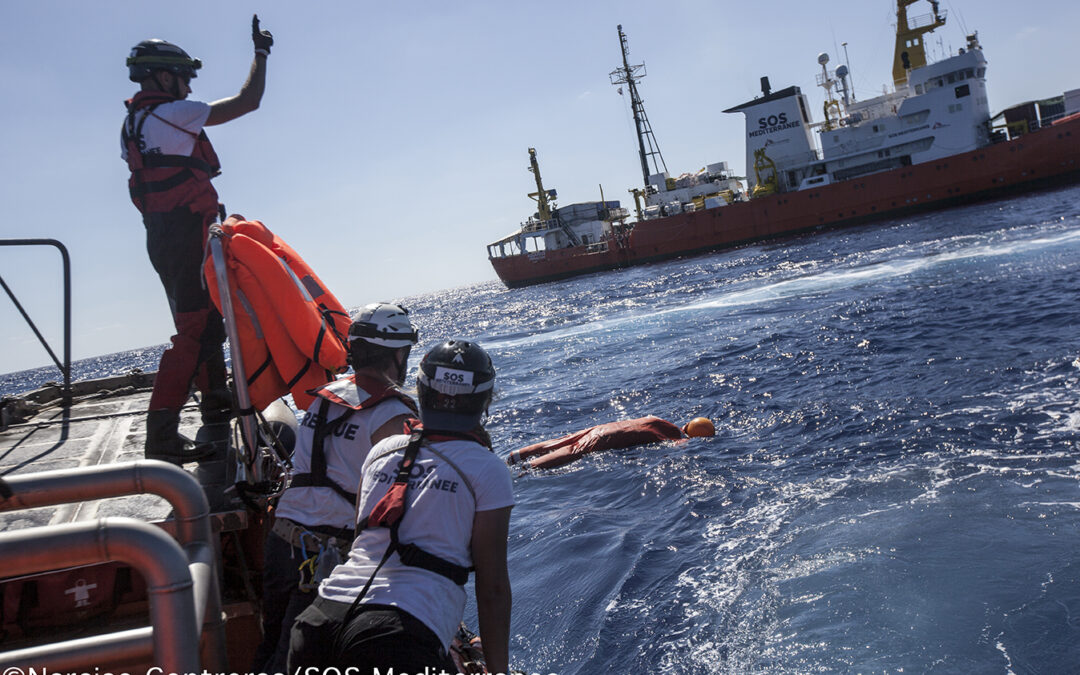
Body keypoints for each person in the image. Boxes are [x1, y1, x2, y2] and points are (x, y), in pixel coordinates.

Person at [288, 340, 514, 674]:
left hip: (317, 623)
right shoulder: (487, 469)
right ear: (484, 400)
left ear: (421, 391)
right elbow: (492, 588)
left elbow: (362, 539)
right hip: (398, 638)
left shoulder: (382, 450)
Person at [121, 16, 274, 463]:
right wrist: (261, 53)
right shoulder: (174, 113)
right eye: (184, 78)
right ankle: (162, 436)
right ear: (164, 76)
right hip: (187, 232)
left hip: (162, 235)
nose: (188, 88)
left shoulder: (132, 124)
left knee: (207, 323)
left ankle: (215, 405)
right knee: (194, 332)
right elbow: (249, 101)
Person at [252, 303, 419, 672]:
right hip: (325, 558)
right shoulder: (394, 416)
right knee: (300, 661)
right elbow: (407, 503)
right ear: (398, 353)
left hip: (282, 544)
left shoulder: (323, 399)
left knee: (271, 647)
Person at [508, 415, 715, 470]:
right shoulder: (675, 438)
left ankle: (516, 456)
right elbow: (680, 446)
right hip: (607, 438)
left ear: (688, 423)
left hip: (602, 428)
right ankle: (526, 468)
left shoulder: (659, 421)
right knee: (573, 451)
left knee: (562, 441)